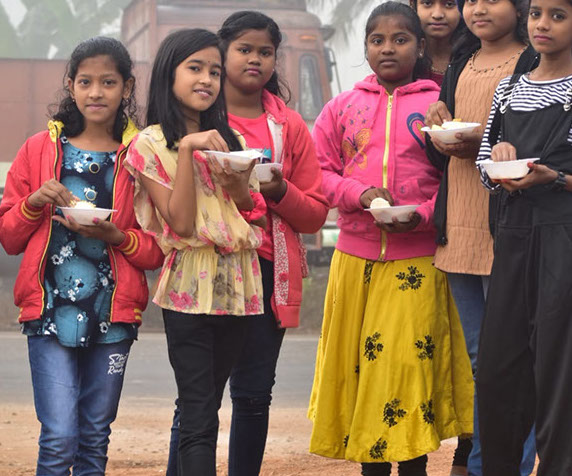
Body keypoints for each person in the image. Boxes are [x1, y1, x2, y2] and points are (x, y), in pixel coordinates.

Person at [308, 3, 473, 475]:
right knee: (362, 373)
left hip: (417, 261)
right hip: (353, 261)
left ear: (420, 47)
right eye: (377, 40)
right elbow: (319, 172)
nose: (387, 48)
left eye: (400, 39)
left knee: (404, 372)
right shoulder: (341, 107)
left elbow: (457, 179)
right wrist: (359, 195)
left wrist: (423, 215)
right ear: (365, 49)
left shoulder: (439, 105)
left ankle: (414, 466)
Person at [164, 12, 329, 476]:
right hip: (204, 271)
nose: (255, 59)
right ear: (221, 53)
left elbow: (315, 213)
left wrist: (277, 190)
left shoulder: (288, 127)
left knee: (254, 396)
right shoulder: (192, 120)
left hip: (266, 272)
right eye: (243, 49)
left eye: (265, 51)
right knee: (197, 402)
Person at [0, 37, 163, 475]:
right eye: (86, 81)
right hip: (48, 311)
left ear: (127, 87)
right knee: (58, 438)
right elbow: (9, 238)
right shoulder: (38, 149)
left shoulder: (141, 157)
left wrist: (117, 236)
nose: (96, 92)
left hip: (114, 317)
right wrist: (33, 202)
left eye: (108, 82)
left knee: (94, 438)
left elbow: (157, 251)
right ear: (70, 85)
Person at [125, 29, 267, 476]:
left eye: (214, 71)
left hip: (238, 280)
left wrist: (236, 182)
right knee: (198, 411)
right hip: (188, 280)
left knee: (208, 404)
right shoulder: (149, 144)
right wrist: (187, 149)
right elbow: (181, 224)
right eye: (195, 68)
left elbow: (251, 212)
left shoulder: (232, 140)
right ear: (170, 73)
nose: (206, 79)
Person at [424, 0, 538, 473]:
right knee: (480, 361)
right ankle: (483, 464)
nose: (478, 9)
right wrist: (437, 130)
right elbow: (443, 161)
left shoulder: (532, 62)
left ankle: (508, 465)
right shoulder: (461, 62)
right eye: (471, 0)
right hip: (458, 229)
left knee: (513, 361)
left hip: (506, 230)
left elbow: (536, 147)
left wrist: (484, 148)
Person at [475, 0, 572, 473]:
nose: (542, 25)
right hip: (513, 235)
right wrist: (499, 159)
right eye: (536, 13)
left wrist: (556, 179)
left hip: (564, 239)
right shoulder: (510, 87)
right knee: (499, 370)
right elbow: (483, 164)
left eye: (558, 15)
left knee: (558, 371)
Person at [410, 0, 465, 86]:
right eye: (427, 3)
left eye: (449, 4)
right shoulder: (404, 60)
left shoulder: (475, 57)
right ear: (413, 5)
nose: (437, 15)